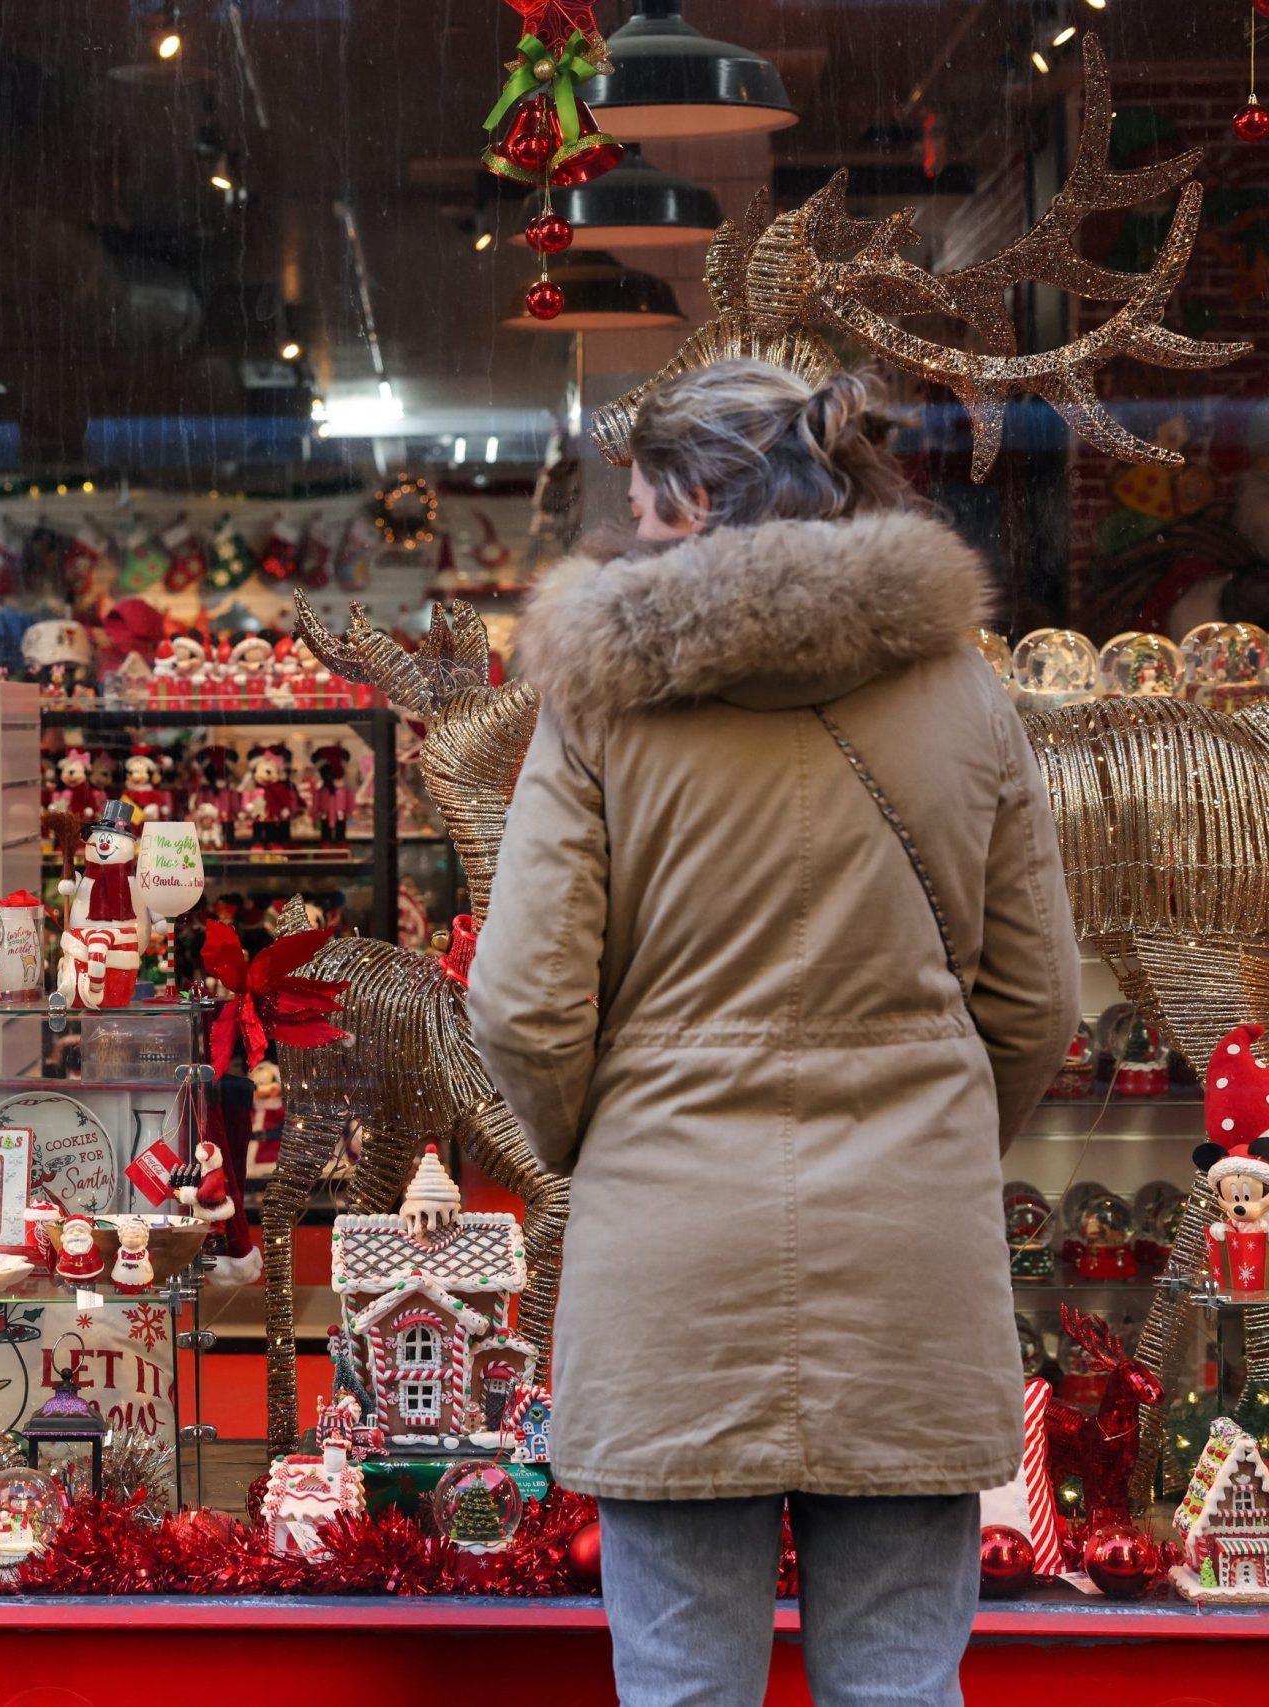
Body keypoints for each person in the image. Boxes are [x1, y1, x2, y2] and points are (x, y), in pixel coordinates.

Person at [467, 359, 1079, 1707]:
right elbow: (1039, 1006)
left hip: (674, 1252)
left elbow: (522, 1001)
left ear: (692, 501)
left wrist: (613, 1140)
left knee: (683, 1685)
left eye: (635, 503)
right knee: (905, 1684)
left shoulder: (603, 704)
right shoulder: (963, 694)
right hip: (910, 1257)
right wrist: (933, 1139)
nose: (624, 534)